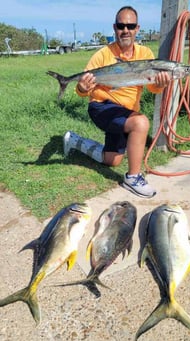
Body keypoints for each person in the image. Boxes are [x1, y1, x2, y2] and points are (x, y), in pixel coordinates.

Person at [64, 6, 170, 198]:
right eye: (121, 26)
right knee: (140, 123)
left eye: (130, 26)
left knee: (113, 160)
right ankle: (133, 177)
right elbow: (81, 90)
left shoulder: (145, 53)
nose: (125, 30)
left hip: (124, 111)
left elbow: (152, 87)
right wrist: (82, 88)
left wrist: (161, 84)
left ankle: (74, 140)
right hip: (101, 107)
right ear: (115, 28)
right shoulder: (102, 55)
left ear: (137, 28)